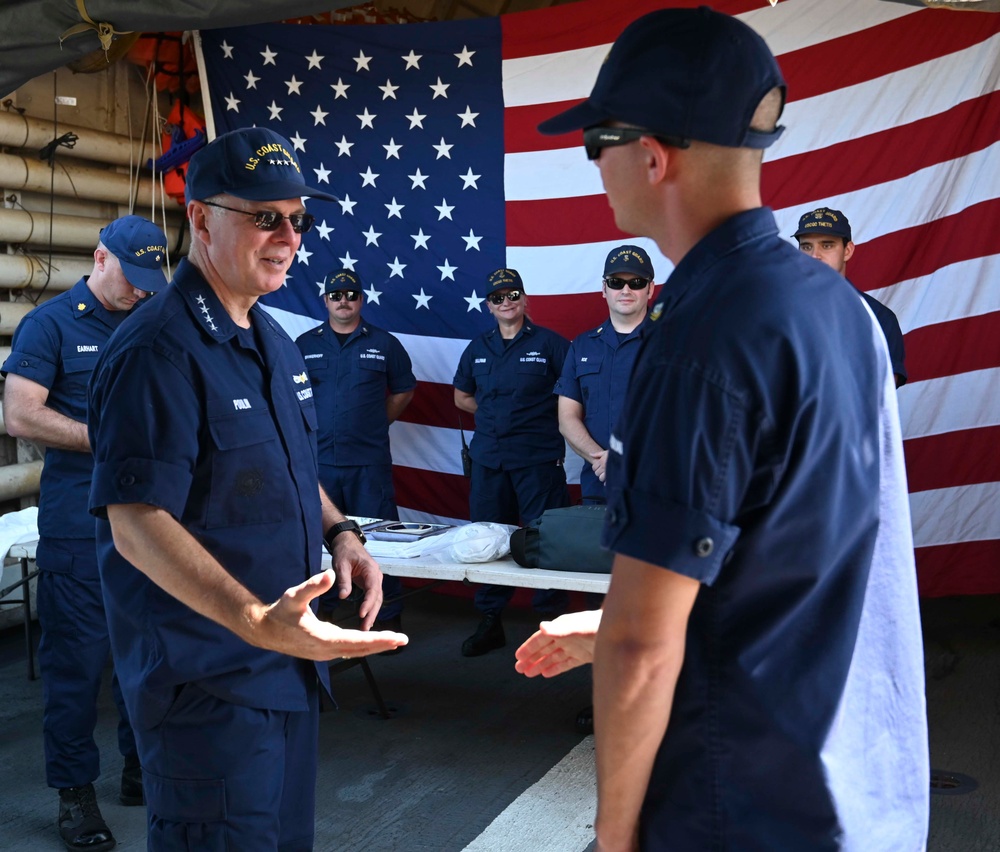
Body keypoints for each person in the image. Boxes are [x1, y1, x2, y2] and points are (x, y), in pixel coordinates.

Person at [518, 8, 929, 850]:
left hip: (740, 801)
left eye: (595, 140)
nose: (594, 163)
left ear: (651, 153)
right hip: (855, 788)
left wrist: (614, 837)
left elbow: (641, 646)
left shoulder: (703, 337)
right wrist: (614, 626)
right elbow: (804, 550)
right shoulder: (839, 311)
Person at [86, 127, 406, 851]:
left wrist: (341, 534)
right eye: (265, 216)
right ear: (200, 219)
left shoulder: (273, 339)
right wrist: (257, 618)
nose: (288, 236)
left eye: (299, 219)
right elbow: (135, 521)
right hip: (209, 686)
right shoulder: (155, 351)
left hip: (285, 672)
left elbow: (291, 467)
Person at [2, 214, 167, 852]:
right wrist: (107, 440)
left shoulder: (147, 317)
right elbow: (20, 415)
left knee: (145, 658)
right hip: (79, 526)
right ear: (100, 259)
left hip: (150, 522)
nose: (142, 291)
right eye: (133, 278)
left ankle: (137, 769)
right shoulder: (50, 324)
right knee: (76, 667)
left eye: (153, 281)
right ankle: (75, 794)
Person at [453, 267, 570, 656]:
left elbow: (573, 397)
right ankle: (491, 620)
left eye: (513, 294)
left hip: (537, 459)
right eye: (498, 297)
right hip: (489, 460)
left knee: (544, 541)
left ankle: (551, 626)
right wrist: (491, 415)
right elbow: (462, 397)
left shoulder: (551, 345)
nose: (507, 302)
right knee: (488, 540)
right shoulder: (478, 348)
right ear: (489, 305)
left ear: (524, 299)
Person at [296, 268, 416, 638]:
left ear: (361, 299)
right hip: (319, 463)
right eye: (336, 295)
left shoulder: (385, 343)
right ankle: (324, 610)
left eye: (350, 294)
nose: (343, 300)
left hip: (368, 462)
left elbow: (403, 391)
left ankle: (387, 612)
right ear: (326, 300)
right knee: (320, 538)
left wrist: (375, 424)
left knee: (379, 537)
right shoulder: (304, 343)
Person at [555, 244, 654, 505]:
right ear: (604, 289)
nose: (625, 290)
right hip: (599, 486)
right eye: (616, 282)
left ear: (650, 289)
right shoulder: (581, 346)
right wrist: (602, 460)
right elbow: (566, 418)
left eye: (636, 282)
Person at [793, 206, 907, 387]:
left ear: (848, 250)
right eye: (806, 246)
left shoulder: (878, 318)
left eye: (827, 245)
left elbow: (882, 392)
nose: (815, 256)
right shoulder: (778, 312)